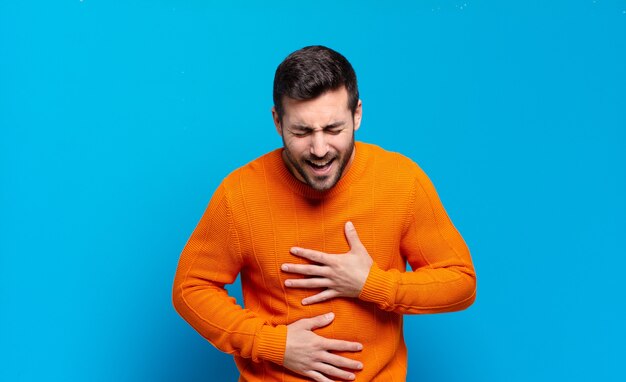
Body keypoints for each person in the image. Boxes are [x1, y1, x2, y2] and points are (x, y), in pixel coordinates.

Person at [172, 45, 476, 382]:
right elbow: (190, 289)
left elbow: (461, 283)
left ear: (357, 114)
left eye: (333, 130)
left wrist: (372, 284)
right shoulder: (239, 195)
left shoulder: (402, 181)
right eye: (302, 132)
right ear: (277, 121)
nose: (319, 150)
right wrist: (273, 343)